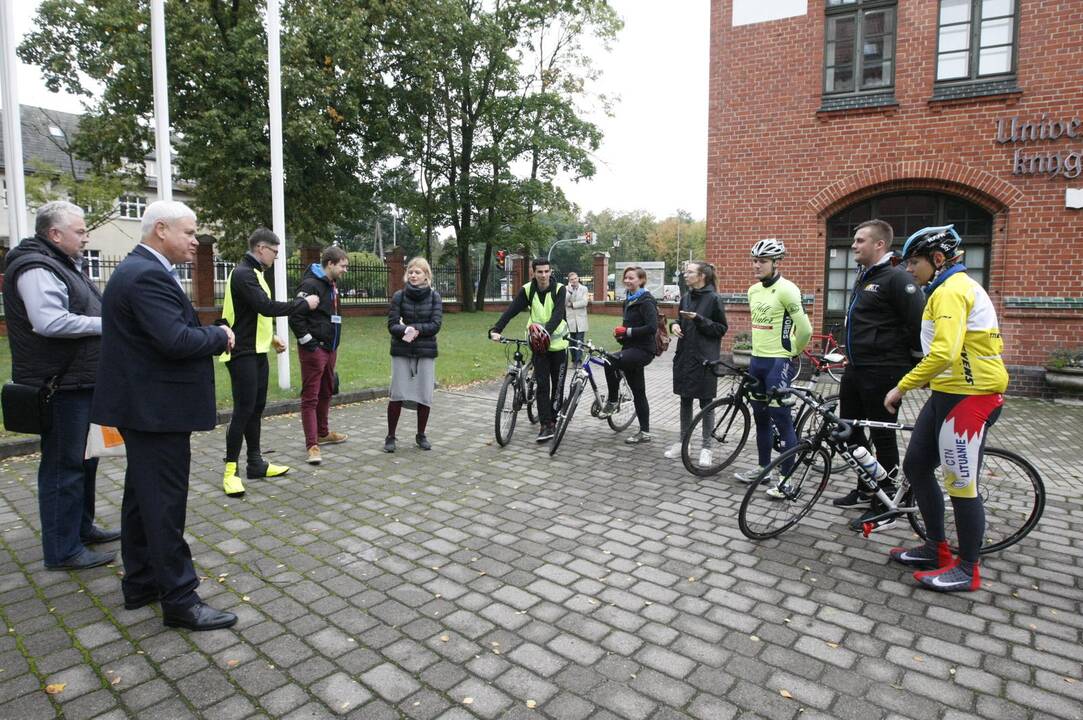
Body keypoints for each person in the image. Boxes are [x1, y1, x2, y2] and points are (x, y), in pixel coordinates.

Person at [91, 200, 238, 630]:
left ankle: (141, 583)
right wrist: (219, 334)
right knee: (164, 504)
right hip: (155, 411)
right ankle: (179, 598)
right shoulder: (147, 275)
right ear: (161, 230)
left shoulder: (138, 270)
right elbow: (174, 340)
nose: (195, 241)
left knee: (142, 497)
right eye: (190, 233)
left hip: (145, 407)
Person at [885, 225, 1008, 593]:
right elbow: (950, 352)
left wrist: (901, 386)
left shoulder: (953, 290)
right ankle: (936, 547)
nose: (909, 269)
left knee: (961, 484)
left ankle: (967, 568)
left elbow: (944, 352)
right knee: (917, 467)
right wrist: (929, 379)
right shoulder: (943, 289)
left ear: (937, 260)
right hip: (947, 393)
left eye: (915, 262)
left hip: (972, 398)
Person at [2, 201, 119, 570]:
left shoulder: (63, 264)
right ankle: (62, 549)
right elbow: (49, 322)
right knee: (63, 466)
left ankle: (81, 528)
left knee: (85, 462)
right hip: (60, 386)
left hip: (81, 380)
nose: (86, 237)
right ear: (55, 234)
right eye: (81, 231)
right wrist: (107, 325)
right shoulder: (36, 267)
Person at [833, 219, 925, 531]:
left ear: (879, 245)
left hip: (883, 372)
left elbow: (917, 325)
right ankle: (866, 486)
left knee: (883, 436)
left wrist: (911, 370)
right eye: (854, 240)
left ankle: (885, 501)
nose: (854, 246)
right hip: (856, 370)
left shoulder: (896, 279)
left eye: (860, 241)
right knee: (852, 434)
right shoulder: (865, 276)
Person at [219, 229, 318, 497]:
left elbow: (250, 314)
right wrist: (302, 304)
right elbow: (265, 306)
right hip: (241, 353)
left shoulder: (255, 275)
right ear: (262, 248)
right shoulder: (243, 274)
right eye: (275, 252)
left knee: (256, 409)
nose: (276, 257)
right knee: (243, 410)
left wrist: (271, 337)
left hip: (257, 350)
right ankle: (230, 471)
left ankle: (255, 463)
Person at [735, 239, 811, 496]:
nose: (757, 265)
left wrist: (791, 353)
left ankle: (786, 479)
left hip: (778, 362)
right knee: (760, 418)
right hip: (756, 361)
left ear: (776, 263)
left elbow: (806, 329)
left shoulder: (788, 290)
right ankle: (763, 468)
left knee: (783, 421)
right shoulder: (753, 291)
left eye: (762, 261)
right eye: (755, 260)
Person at [489, 258, 569, 442]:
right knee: (542, 385)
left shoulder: (559, 289)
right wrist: (497, 329)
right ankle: (545, 425)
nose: (543, 275)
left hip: (558, 346)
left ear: (550, 272)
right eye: (539, 272)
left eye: (546, 271)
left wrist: (544, 333)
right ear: (533, 272)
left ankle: (554, 419)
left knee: (557, 386)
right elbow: (512, 310)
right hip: (539, 346)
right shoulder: (527, 290)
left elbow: (557, 316)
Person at [289, 246, 350, 465]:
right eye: (342, 266)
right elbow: (295, 317)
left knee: (326, 391)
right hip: (314, 351)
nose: (345, 270)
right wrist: (310, 345)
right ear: (330, 264)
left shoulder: (332, 284)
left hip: (330, 349)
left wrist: (334, 345)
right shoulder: (310, 285)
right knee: (310, 397)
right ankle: (312, 445)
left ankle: (323, 433)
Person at [665, 261, 728, 464]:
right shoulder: (685, 298)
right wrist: (674, 326)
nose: (686, 274)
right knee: (685, 400)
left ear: (702, 276)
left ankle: (706, 448)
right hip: (685, 357)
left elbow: (720, 329)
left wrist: (699, 319)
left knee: (706, 403)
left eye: (690, 272)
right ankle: (684, 442)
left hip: (704, 360)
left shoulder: (714, 299)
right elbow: (679, 320)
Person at [384, 257, 443, 452]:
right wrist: (404, 331)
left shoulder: (435, 297)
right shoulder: (399, 296)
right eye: (410, 272)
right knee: (397, 394)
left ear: (426, 275)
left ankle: (421, 435)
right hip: (402, 350)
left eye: (417, 272)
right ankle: (391, 436)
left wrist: (414, 329)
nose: (413, 275)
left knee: (424, 395)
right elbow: (392, 325)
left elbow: (435, 325)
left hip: (425, 352)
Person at [598, 266, 657, 444]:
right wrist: (621, 335)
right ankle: (645, 432)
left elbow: (652, 327)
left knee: (610, 361)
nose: (628, 281)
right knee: (639, 391)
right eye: (626, 278)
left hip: (644, 350)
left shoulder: (646, 300)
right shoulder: (629, 299)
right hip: (630, 349)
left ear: (641, 280)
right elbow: (627, 326)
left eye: (632, 278)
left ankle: (613, 401)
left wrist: (628, 331)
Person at [565, 271, 589, 365]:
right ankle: (573, 360)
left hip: (581, 319)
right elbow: (564, 302)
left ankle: (579, 361)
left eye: (575, 278)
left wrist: (572, 305)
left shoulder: (584, 289)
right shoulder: (566, 289)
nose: (574, 281)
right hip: (570, 319)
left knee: (579, 341)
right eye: (572, 279)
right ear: (569, 281)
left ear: (578, 278)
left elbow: (584, 302)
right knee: (571, 341)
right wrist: (570, 292)